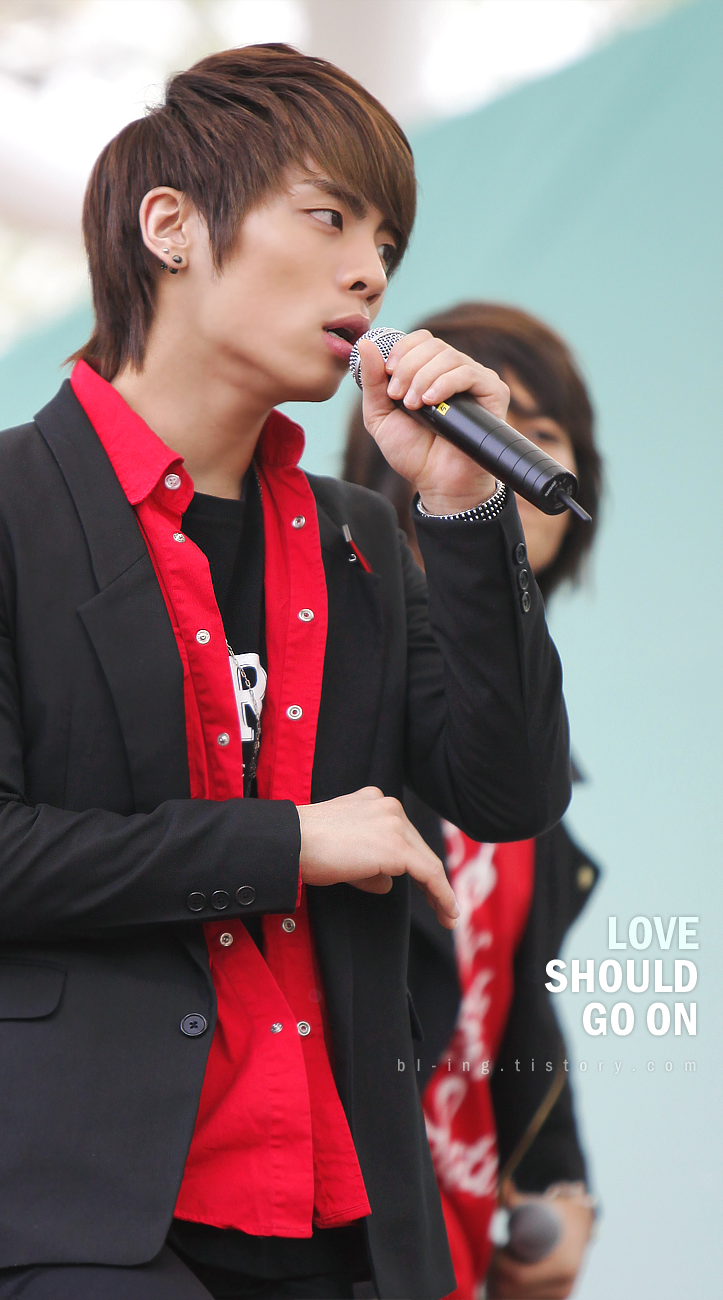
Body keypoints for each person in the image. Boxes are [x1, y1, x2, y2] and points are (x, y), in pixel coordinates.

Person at [0, 47, 572, 1300]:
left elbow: (506, 791)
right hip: (64, 1210)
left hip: (340, 1209)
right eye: (329, 217)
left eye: (387, 243)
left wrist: (463, 511)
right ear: (171, 227)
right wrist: (287, 841)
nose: (370, 270)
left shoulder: (361, 537)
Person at [344, 301, 604, 1300]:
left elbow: (509, 1011)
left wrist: (558, 1185)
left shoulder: (536, 777)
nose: (505, 454)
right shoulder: (333, 696)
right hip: (328, 1241)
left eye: (538, 435)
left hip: (450, 1259)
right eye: (479, 422)